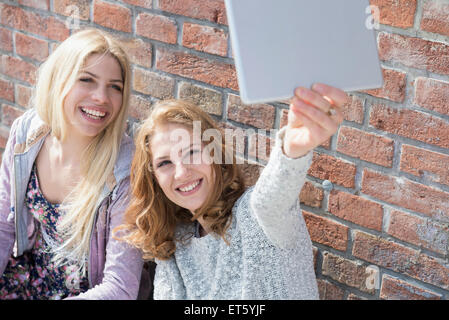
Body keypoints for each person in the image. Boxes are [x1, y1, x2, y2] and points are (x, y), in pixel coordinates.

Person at [118, 83, 348, 299]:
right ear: (154, 178)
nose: (181, 173)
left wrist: (291, 151)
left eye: (191, 152)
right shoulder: (175, 242)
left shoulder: (256, 217)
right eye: (164, 163)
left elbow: (272, 199)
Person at [0, 28, 147, 299]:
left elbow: (120, 287)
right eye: (87, 80)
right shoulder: (26, 135)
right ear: (59, 80)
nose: (102, 97)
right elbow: (4, 227)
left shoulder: (126, 171)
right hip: (23, 279)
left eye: (115, 86)